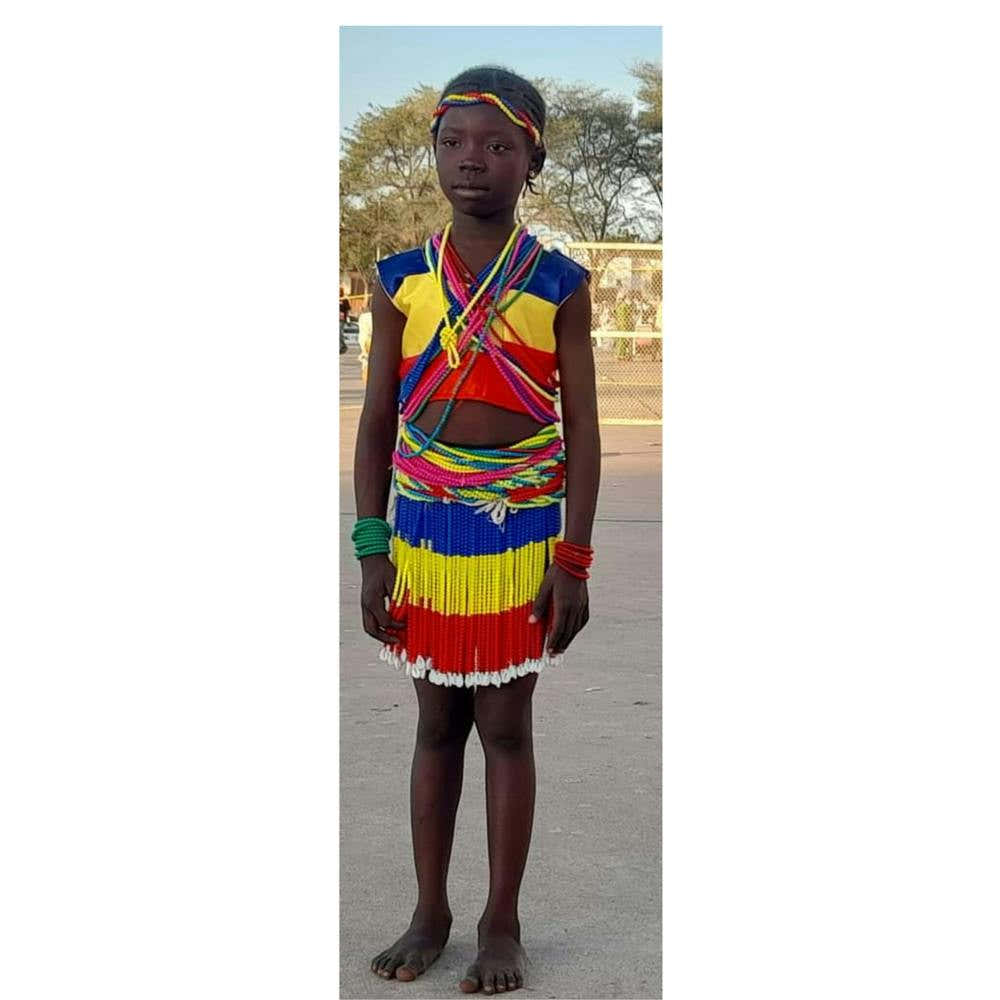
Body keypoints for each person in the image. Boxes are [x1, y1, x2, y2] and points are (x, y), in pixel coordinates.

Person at [353, 65, 600, 995]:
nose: (472, 160)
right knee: (434, 724)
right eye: (454, 142)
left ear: (533, 160)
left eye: (498, 145)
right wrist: (370, 548)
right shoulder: (400, 281)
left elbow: (583, 431)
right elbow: (378, 422)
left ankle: (502, 922)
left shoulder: (559, 283)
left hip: (519, 535)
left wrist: (574, 559)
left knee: (505, 727)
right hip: (423, 535)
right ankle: (431, 912)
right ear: (432, 152)